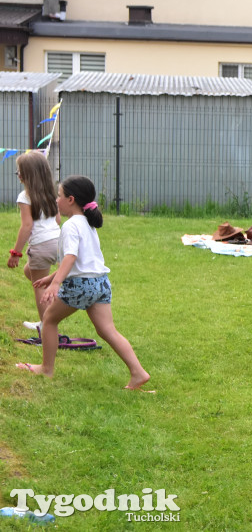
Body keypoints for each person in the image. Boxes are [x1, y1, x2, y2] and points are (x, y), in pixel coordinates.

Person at [14, 175, 150, 390]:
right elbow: (85, 261)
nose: (56, 200)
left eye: (59, 196)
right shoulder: (88, 223)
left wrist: (56, 283)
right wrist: (50, 277)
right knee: (108, 330)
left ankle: (46, 369)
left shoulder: (70, 226)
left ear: (71, 200)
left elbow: (71, 258)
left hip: (81, 285)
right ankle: (138, 372)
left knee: (48, 320)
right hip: (100, 283)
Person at [8, 152, 61, 331]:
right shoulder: (51, 193)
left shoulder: (25, 196)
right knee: (29, 272)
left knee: (38, 285)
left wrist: (16, 253)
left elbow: (27, 226)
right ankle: (51, 308)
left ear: (27, 174)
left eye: (19, 171)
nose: (18, 174)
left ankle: (46, 327)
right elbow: (58, 219)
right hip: (57, 242)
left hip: (41, 246)